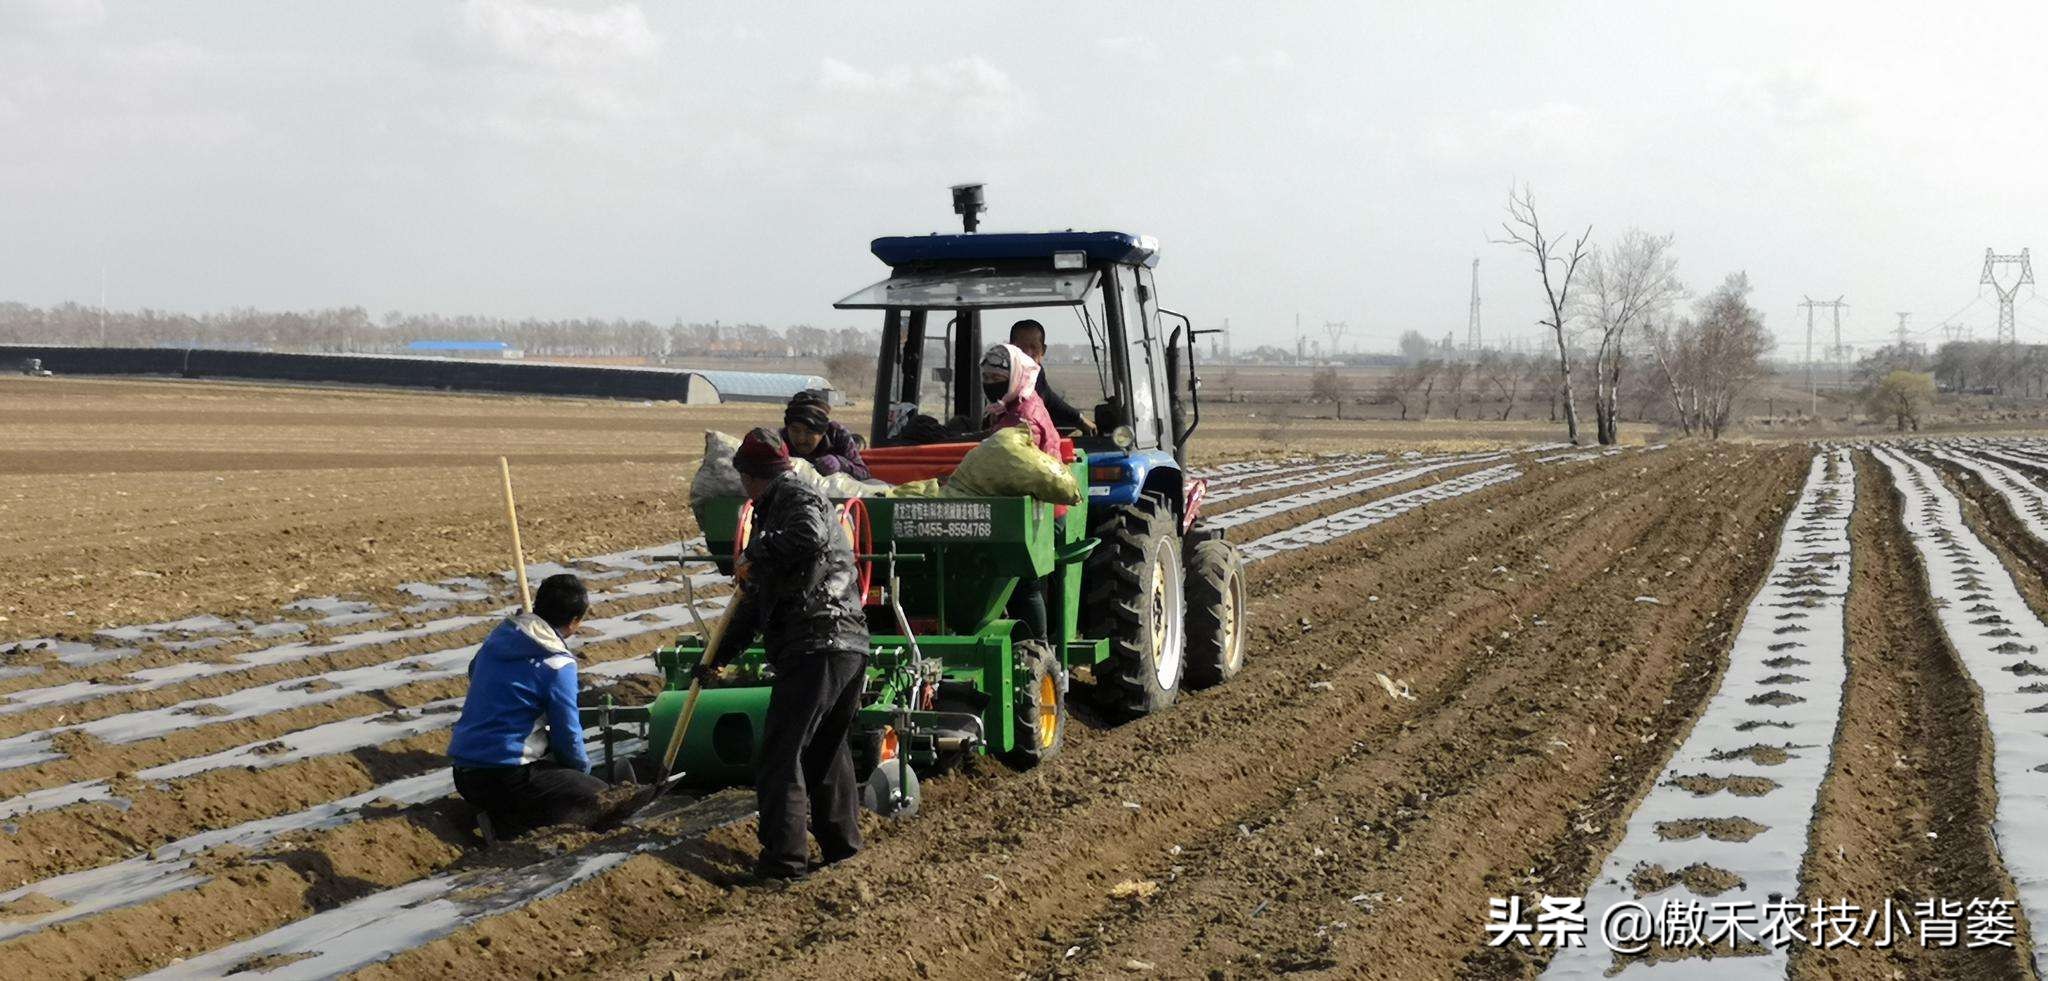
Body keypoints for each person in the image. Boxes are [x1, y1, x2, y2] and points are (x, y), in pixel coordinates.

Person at [701, 428, 870, 880]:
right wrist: (718, 655)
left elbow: (809, 535)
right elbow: (755, 603)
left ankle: (784, 862)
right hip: (845, 644)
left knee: (781, 754)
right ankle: (842, 849)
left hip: (816, 643)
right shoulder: (777, 512)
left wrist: (754, 552)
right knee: (826, 752)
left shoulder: (795, 499)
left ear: (750, 476)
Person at [448, 573, 604, 841]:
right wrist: (579, 775)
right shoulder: (557, 663)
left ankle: (502, 815)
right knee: (599, 797)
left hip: (463, 774)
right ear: (574, 622)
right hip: (506, 776)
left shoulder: (499, 637)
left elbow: (474, 671)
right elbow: (567, 733)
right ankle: (508, 825)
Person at [1008, 319, 1095, 435]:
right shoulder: (1001, 375)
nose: (1028, 353)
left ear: (1043, 351)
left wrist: (1079, 418)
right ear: (1011, 348)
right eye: (1021, 348)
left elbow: (1048, 398)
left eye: (1034, 347)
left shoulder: (1037, 373)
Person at [980, 342, 1062, 460]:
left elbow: (1016, 462)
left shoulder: (1025, 419)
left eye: (996, 378)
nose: (990, 383)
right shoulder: (1007, 406)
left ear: (1015, 378)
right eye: (986, 378)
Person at [780, 391, 871, 480]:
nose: (801, 439)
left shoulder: (837, 435)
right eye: (795, 430)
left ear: (823, 431)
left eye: (809, 432)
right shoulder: (780, 440)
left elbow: (864, 473)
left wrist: (841, 463)